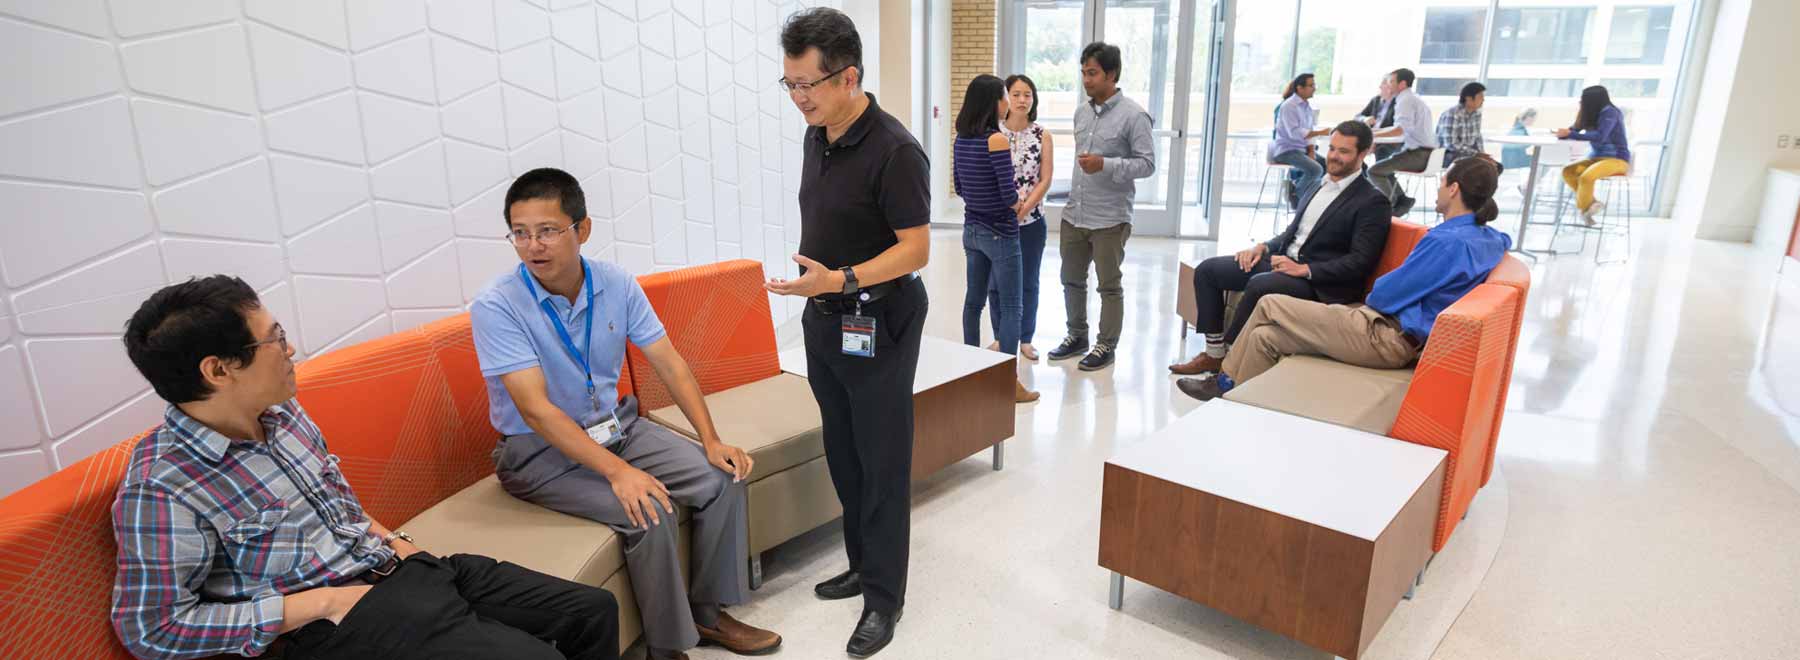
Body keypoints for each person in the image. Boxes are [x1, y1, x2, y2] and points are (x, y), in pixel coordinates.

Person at [112, 275, 621, 660]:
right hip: (334, 625)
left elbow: (337, 503)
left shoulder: (285, 414)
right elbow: (152, 629)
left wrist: (400, 546)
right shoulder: (162, 486)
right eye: (275, 338)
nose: (290, 350)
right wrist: (324, 605)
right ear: (218, 370)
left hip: (399, 570)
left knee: (592, 612)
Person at [470, 169, 780, 660]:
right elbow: (536, 410)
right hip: (539, 453)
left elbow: (671, 364)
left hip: (619, 427)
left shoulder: (615, 283)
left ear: (582, 229)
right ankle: (669, 647)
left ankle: (709, 614)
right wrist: (621, 474)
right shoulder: (497, 305)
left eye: (548, 230)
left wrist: (711, 439)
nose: (533, 246)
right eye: (520, 233)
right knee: (648, 507)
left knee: (722, 477)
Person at [766, 8, 932, 658]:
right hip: (827, 321)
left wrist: (842, 279)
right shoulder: (819, 136)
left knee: (883, 460)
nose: (799, 97)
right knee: (845, 453)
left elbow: (916, 250)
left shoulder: (894, 150)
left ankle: (884, 600)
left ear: (849, 76)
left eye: (809, 84)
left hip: (878, 319)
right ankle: (862, 565)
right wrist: (823, 291)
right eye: (790, 84)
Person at [1176, 156, 1513, 402]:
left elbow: (1382, 296)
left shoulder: (1445, 241)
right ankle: (1243, 402)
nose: (1439, 191)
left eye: (1442, 184)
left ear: (1454, 189)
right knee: (1265, 337)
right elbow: (1502, 243)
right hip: (1393, 332)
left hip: (1387, 334)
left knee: (1269, 303)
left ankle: (1221, 382)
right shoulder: (1490, 240)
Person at [1170, 120, 1393, 375]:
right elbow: (1293, 233)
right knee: (1209, 270)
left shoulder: (1372, 201)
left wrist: (1305, 269)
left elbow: (1360, 261)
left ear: (1363, 154)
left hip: (1320, 283)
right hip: (1284, 262)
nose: (1333, 156)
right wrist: (1263, 248)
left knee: (1262, 284)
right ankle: (1213, 354)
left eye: (1343, 151)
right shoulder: (1319, 184)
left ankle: (1229, 362)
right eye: (1332, 148)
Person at [1047, 41, 1156, 372]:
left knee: (1109, 285)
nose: (1086, 79)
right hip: (1075, 214)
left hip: (1110, 218)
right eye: (1083, 72)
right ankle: (1076, 336)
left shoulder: (1134, 116)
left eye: (1092, 73)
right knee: (1071, 279)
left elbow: (1147, 164)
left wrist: (1106, 164)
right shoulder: (1081, 112)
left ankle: (1106, 344)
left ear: (1111, 74)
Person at [953, 73, 1039, 403]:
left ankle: (969, 375)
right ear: (994, 102)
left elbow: (960, 187)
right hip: (1002, 234)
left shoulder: (960, 139)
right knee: (1012, 307)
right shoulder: (996, 141)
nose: (1008, 102)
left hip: (971, 232)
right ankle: (1008, 383)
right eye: (1005, 96)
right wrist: (1019, 206)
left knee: (973, 302)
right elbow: (1008, 193)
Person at [986, 74, 1053, 362]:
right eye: (1016, 94)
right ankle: (1001, 337)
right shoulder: (993, 134)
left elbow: (1046, 178)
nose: (1023, 100)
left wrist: (1025, 208)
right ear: (1005, 99)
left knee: (1029, 281)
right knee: (996, 282)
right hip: (997, 223)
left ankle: (1025, 338)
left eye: (1028, 94)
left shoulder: (1042, 134)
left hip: (1032, 222)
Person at [1555, 85, 1631, 226]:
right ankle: (1592, 205)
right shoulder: (1590, 113)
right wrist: (1565, 132)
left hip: (1617, 159)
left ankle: (1585, 210)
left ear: (1593, 100)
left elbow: (1600, 136)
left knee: (1586, 177)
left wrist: (1571, 133)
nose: (1581, 102)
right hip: (1596, 158)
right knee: (1568, 172)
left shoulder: (1611, 113)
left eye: (1583, 100)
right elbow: (1574, 130)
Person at [1369, 68, 1439, 216]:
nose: (1388, 85)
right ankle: (1402, 201)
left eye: (1391, 81)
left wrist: (1370, 134)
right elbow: (1401, 130)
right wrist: (1374, 133)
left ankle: (1388, 209)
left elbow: (1400, 130)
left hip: (1418, 155)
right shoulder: (1412, 98)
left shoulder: (1405, 100)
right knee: (1385, 167)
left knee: (1373, 171)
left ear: (1402, 84)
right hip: (1425, 153)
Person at [1270, 73, 1331, 208]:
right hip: (1287, 151)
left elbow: (1309, 132)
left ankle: (1308, 198)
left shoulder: (1307, 107)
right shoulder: (1289, 106)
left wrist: (1311, 151)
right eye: (1311, 85)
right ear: (1299, 88)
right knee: (1316, 170)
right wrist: (1321, 132)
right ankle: (1296, 196)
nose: (1314, 88)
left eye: (1314, 85)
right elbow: (1294, 133)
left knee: (1329, 166)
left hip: (1301, 150)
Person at [1437, 82, 1487, 165]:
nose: (1483, 99)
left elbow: (1478, 138)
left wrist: (1483, 155)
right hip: (1449, 155)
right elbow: (1451, 144)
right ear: (1469, 98)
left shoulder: (1477, 115)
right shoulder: (1453, 114)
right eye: (1480, 96)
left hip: (1468, 154)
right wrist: (1476, 154)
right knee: (1478, 168)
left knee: (1496, 167)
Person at [1357, 77, 1400, 161]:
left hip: (1387, 140)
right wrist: (1365, 119)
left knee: (1382, 150)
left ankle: (1380, 173)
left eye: (1383, 84)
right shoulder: (1376, 100)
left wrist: (1375, 140)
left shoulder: (1398, 103)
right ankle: (1362, 170)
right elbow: (1357, 117)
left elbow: (1396, 128)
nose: (1380, 86)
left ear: (1390, 87)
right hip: (1371, 137)